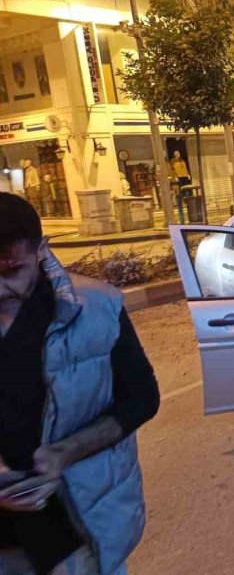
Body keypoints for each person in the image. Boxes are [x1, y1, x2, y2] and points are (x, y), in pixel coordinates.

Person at [0, 193, 159, 574]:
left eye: (10, 271)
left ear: (41, 250)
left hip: (75, 538)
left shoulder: (96, 309)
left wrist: (65, 453)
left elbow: (142, 398)